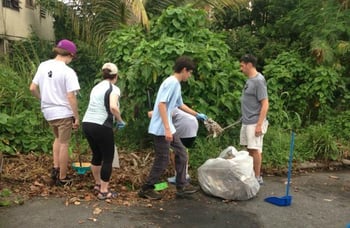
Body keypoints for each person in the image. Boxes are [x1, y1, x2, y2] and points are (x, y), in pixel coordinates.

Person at [139, 56, 207, 200]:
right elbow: (162, 105)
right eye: (189, 72)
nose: (190, 76)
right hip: (161, 128)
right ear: (184, 70)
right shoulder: (172, 83)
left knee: (182, 153)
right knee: (162, 160)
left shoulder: (176, 84)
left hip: (167, 126)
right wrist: (167, 129)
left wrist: (197, 115)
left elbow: (180, 105)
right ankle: (146, 188)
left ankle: (181, 186)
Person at [29, 39, 80, 186]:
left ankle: (56, 169)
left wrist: (43, 100)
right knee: (64, 144)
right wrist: (76, 117)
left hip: (48, 111)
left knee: (57, 139)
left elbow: (32, 88)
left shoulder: (43, 65)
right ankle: (62, 179)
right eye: (73, 57)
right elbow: (71, 96)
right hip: (63, 112)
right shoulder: (68, 71)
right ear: (70, 54)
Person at [82, 62, 125, 200]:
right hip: (101, 124)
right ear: (116, 76)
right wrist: (120, 120)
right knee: (108, 158)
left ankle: (97, 184)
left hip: (87, 123)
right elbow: (113, 107)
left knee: (97, 155)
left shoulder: (96, 87)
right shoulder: (114, 88)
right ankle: (104, 191)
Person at [239, 54, 269, 185]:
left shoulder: (258, 80)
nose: (241, 69)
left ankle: (257, 177)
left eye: (242, 66)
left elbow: (265, 103)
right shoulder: (249, 80)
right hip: (246, 121)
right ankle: (251, 174)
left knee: (255, 149)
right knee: (249, 149)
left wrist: (259, 124)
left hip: (254, 122)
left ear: (249, 65)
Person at [148, 108, 199, 184]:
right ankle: (184, 175)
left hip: (183, 127)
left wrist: (153, 114)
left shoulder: (170, 107)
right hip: (193, 128)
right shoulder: (179, 106)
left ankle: (179, 177)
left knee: (175, 151)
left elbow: (153, 114)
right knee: (183, 150)